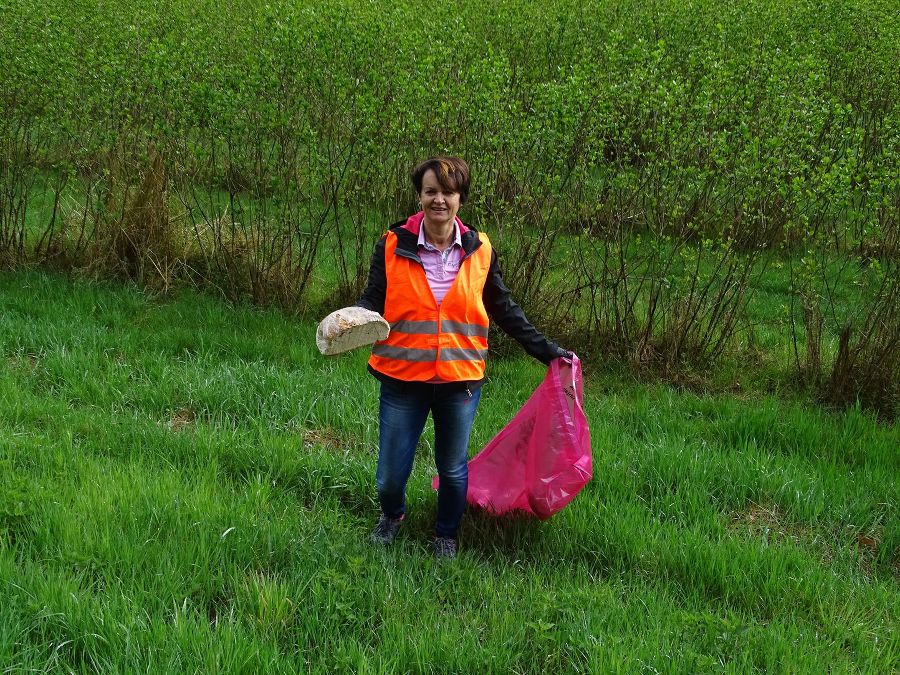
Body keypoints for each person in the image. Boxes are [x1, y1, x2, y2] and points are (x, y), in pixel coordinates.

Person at [355, 156, 570, 559]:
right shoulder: (392, 244)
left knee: (453, 470)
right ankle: (393, 514)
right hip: (402, 378)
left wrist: (548, 352)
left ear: (460, 198)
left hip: (459, 381)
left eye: (448, 192)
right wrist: (348, 320)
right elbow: (372, 300)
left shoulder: (480, 249)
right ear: (419, 196)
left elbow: (505, 309)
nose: (439, 200)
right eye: (431, 191)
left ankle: (446, 535)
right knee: (388, 476)